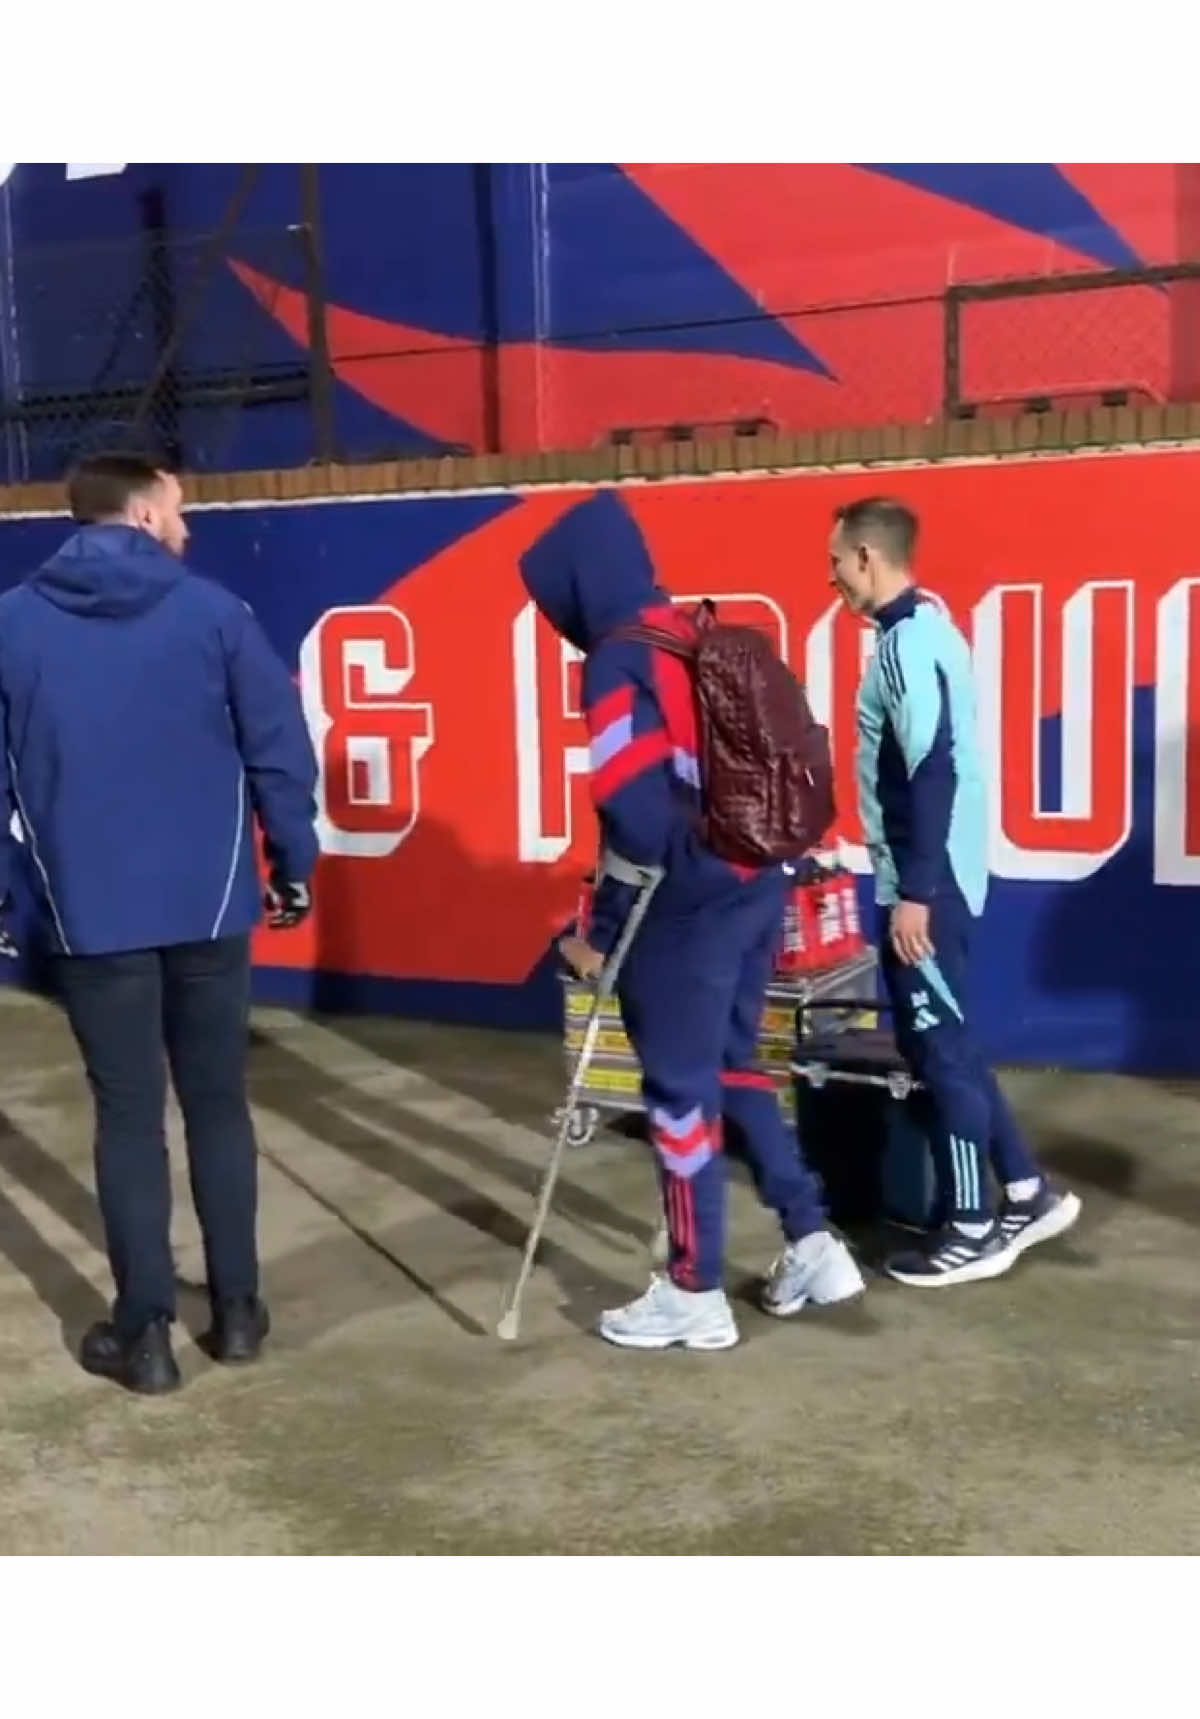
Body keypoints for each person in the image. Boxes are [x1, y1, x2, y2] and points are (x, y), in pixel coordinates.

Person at [0, 453, 318, 1393]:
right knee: (217, 1103)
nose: (187, 528)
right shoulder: (215, 614)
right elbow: (278, 749)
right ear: (140, 515)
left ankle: (145, 1337)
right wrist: (291, 863)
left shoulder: (12, 623)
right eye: (178, 510)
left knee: (128, 1115)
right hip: (210, 904)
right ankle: (240, 1312)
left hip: (89, 913)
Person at [521, 490, 863, 1352]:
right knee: (733, 1066)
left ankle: (691, 1290)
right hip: (757, 884)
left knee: (678, 1094)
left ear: (577, 585)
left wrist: (602, 925)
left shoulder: (613, 661)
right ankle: (813, 1240)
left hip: (684, 907)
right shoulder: (691, 628)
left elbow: (635, 814)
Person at [828, 495, 1080, 1286]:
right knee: (952, 1045)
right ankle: (1029, 1193)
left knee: (939, 1053)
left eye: (837, 560)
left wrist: (916, 893)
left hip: (928, 886)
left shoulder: (905, 647)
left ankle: (972, 1225)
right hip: (942, 875)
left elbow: (929, 768)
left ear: (868, 557)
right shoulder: (933, 626)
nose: (833, 576)